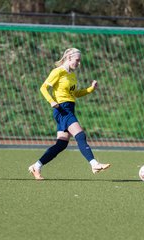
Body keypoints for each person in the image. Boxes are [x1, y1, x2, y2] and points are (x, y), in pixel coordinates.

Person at [28, 48, 111, 180]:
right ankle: (94, 164)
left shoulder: (71, 75)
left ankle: (36, 166)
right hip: (62, 109)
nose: (79, 63)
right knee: (80, 135)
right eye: (77, 60)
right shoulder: (58, 71)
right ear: (69, 58)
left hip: (69, 108)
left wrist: (90, 89)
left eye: (79, 61)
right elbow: (43, 87)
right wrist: (51, 101)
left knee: (61, 144)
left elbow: (75, 94)